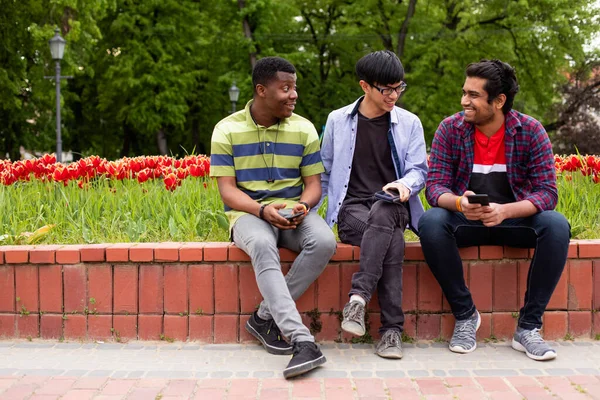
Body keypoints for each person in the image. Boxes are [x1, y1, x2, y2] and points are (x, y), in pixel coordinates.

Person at [419, 59, 570, 361]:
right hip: (467, 221)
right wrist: (461, 203)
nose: (464, 101)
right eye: (465, 92)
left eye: (473, 95)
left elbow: (547, 194)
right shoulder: (450, 129)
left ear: (499, 101)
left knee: (556, 225)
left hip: (515, 223)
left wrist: (505, 211)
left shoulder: (531, 131)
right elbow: (435, 188)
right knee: (431, 221)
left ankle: (528, 328)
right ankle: (465, 316)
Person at [210, 56, 337, 378]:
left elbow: (313, 186)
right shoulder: (227, 129)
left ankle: (263, 317)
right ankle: (302, 340)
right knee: (263, 245)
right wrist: (261, 210)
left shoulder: (304, 128)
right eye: (286, 88)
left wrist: (302, 207)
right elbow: (227, 191)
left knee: (323, 242)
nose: (293, 95)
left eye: (294, 87)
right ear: (261, 90)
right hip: (248, 213)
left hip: (293, 212)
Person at [320, 50, 428, 359]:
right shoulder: (338, 120)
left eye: (399, 87)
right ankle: (391, 332)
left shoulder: (409, 123)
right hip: (352, 209)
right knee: (391, 240)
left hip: (393, 203)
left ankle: (358, 299)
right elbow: (325, 172)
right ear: (365, 86)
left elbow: (418, 170)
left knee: (385, 211)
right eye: (386, 89)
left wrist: (404, 185)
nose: (394, 95)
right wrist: (315, 216)